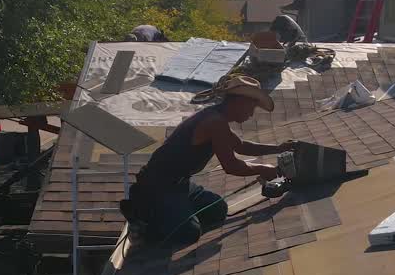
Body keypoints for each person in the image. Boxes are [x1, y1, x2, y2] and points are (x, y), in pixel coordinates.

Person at [121, 75, 293, 246]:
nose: (251, 114)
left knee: (218, 209)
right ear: (239, 102)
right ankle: (144, 220)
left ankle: (174, 211)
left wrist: (278, 148)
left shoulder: (217, 118)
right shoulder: (214, 122)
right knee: (189, 233)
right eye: (252, 107)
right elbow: (231, 166)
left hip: (181, 185)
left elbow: (241, 146)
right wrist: (264, 169)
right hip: (157, 187)